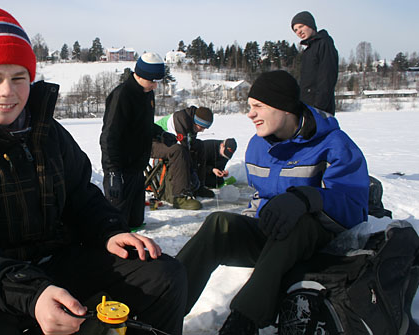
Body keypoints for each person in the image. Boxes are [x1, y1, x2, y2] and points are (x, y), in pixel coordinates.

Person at [0, 8, 186, 335]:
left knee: (163, 276)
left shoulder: (47, 132)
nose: (8, 91)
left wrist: (109, 231)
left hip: (55, 262)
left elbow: (82, 196)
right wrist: (30, 293)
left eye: (19, 78)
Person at [176, 70, 369, 334]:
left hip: (319, 244)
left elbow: (356, 209)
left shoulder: (335, 145)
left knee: (296, 224)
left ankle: (243, 321)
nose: (250, 114)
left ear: (285, 108)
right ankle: (165, 306)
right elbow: (259, 196)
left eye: (258, 106)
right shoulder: (257, 146)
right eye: (249, 107)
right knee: (219, 223)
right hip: (275, 237)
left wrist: (308, 198)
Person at [100, 52, 175, 227]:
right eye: (153, 81)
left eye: (157, 82)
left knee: (136, 222)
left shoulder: (146, 93)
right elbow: (108, 137)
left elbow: (144, 124)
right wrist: (112, 172)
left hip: (137, 168)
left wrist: (160, 134)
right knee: (117, 225)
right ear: (140, 75)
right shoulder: (122, 96)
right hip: (121, 169)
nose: (155, 86)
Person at [151, 106, 214, 210]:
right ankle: (179, 196)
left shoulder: (193, 120)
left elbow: (191, 145)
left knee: (199, 146)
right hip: (153, 142)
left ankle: (200, 187)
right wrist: (192, 174)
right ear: (196, 121)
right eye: (201, 127)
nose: (202, 131)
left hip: (170, 141)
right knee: (179, 151)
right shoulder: (180, 120)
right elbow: (184, 148)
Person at [292, 10, 339, 115]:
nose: (298, 31)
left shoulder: (324, 44)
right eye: (295, 30)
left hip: (319, 109)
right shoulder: (308, 50)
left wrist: (318, 108)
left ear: (310, 24)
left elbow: (327, 78)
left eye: (301, 26)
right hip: (307, 107)